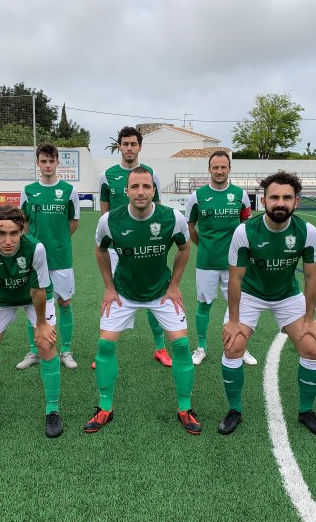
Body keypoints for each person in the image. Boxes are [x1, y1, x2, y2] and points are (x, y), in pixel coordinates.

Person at [85, 167, 201, 434]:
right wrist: (108, 288)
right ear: (126, 190)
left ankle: (185, 408)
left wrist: (174, 286)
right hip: (123, 292)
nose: (140, 192)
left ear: (154, 190)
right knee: (104, 346)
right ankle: (105, 408)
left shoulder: (172, 218)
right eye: (135, 186)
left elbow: (184, 248)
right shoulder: (109, 220)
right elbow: (100, 250)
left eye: (146, 187)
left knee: (182, 346)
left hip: (161, 292)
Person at [219, 172, 316, 437]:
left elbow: (312, 278)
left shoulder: (307, 231)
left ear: (296, 201)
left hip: (287, 296)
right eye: (274, 197)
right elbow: (235, 279)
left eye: (287, 197)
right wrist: (233, 321)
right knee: (233, 347)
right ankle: (234, 410)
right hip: (250, 295)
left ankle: (306, 411)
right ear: (263, 200)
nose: (280, 203)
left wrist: (310, 318)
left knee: (312, 348)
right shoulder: (245, 231)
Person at [0, 206, 61, 438]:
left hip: (35, 298)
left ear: (22, 231)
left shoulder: (35, 248)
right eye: (1, 233)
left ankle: (53, 410)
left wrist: (41, 325)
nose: (8, 240)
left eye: (14, 233)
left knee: (46, 345)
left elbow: (38, 290)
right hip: (1, 299)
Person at [98, 126, 170, 367]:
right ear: (119, 146)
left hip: (147, 245)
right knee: (113, 294)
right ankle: (107, 350)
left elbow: (158, 211)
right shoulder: (107, 175)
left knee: (154, 293)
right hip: (118, 246)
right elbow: (105, 213)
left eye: (133, 144)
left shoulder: (151, 174)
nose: (129, 148)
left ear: (140, 147)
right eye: (125, 144)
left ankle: (160, 347)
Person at [15, 143, 80, 370]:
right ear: (38, 163)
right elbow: (22, 223)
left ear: (57, 163)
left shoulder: (69, 191)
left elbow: (74, 222)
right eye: (44, 161)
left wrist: (59, 241)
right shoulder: (29, 190)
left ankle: (66, 351)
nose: (48, 165)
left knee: (64, 302)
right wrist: (33, 245)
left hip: (61, 258)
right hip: (34, 259)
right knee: (33, 303)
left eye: (52, 161)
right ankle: (34, 352)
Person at [185, 150, 253, 366]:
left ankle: (241, 347)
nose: (219, 171)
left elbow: (246, 227)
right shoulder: (197, 197)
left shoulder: (240, 195)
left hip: (235, 264)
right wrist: (204, 245)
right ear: (209, 169)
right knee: (204, 304)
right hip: (206, 262)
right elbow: (190, 227)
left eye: (223, 167)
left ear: (229, 169)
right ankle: (201, 347)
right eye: (215, 167)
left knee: (237, 306)